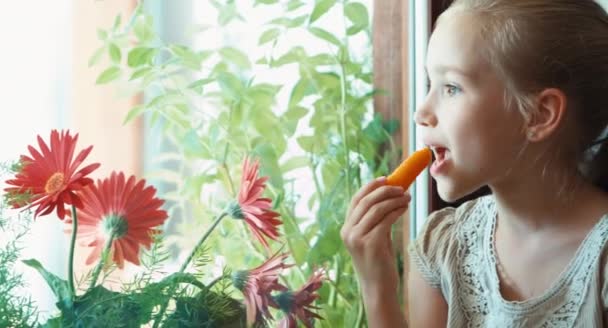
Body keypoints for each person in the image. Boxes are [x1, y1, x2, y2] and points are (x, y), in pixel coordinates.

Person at [340, 0, 608, 326]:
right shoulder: (440, 247)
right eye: (429, 84)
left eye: (451, 87)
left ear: (539, 115)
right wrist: (376, 285)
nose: (421, 112)